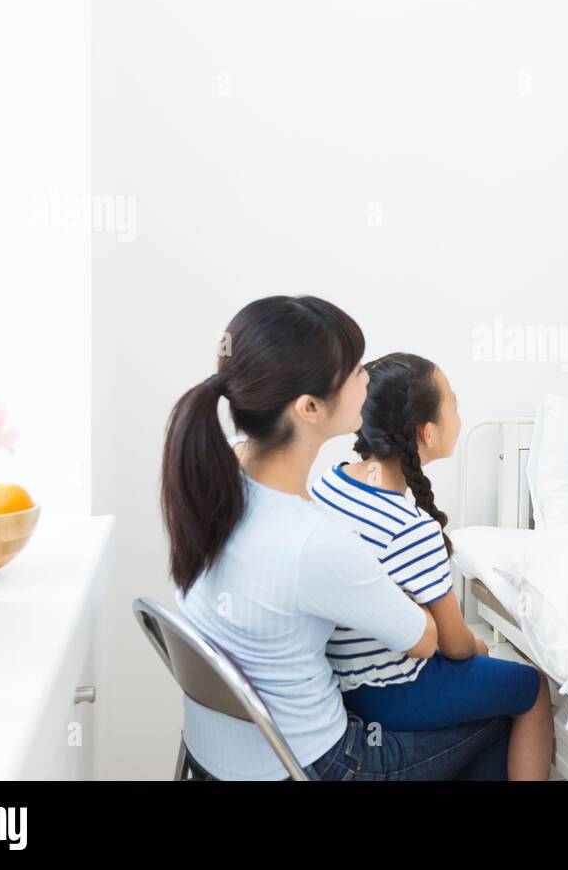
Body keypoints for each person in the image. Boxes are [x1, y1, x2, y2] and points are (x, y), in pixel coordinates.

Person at [161, 295, 515, 780]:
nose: (366, 378)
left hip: (210, 759)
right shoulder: (319, 540)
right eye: (354, 373)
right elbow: (428, 639)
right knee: (500, 716)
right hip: (314, 763)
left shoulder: (215, 471)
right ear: (309, 407)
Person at [309, 352, 552, 780]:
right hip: (391, 691)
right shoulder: (409, 527)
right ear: (427, 431)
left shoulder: (332, 481)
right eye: (454, 404)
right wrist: (480, 649)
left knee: (492, 710)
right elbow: (457, 647)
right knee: (530, 688)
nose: (460, 414)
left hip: (343, 682)